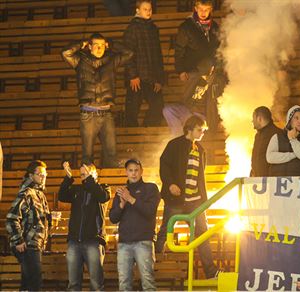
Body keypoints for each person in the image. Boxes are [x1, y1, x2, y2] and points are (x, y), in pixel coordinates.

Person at [156, 115, 220, 279]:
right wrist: (170, 184)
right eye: (200, 130)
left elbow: (200, 177)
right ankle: (153, 265)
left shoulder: (200, 150)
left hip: (195, 201)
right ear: (190, 129)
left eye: (204, 130)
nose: (202, 133)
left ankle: (211, 272)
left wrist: (204, 201)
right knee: (165, 230)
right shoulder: (174, 145)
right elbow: (164, 165)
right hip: (176, 200)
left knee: (202, 234)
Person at [61, 33, 133, 167]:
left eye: (102, 45)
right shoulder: (80, 61)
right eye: (96, 45)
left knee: (111, 154)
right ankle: (89, 184)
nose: (99, 49)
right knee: (87, 155)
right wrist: (80, 44)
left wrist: (111, 44)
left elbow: (129, 53)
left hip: (106, 112)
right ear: (89, 47)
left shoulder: (111, 60)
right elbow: (65, 53)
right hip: (88, 113)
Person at [109, 159, 161, 291]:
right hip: (124, 243)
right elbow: (113, 218)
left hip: (144, 241)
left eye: (136, 170)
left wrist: (131, 199)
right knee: (124, 283)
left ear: (142, 171)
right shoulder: (121, 192)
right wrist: (121, 204)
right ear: (126, 172)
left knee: (147, 281)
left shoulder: (151, 188)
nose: (134, 173)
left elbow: (150, 211)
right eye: (130, 170)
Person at [58, 161, 111, 291]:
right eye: (82, 175)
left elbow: (103, 197)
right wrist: (68, 178)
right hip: (74, 241)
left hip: (93, 241)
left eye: (87, 173)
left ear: (95, 174)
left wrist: (89, 180)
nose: (84, 177)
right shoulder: (77, 190)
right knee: (73, 284)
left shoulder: (103, 188)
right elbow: (62, 196)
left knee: (96, 284)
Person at [169, 0, 221, 129]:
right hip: (192, 72)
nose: (203, 13)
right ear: (195, 9)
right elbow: (179, 50)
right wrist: (180, 70)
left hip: (210, 73)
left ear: (210, 10)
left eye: (206, 10)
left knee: (210, 104)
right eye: (201, 9)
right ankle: (188, 132)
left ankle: (209, 131)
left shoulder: (214, 27)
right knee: (190, 102)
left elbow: (218, 49)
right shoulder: (186, 27)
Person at [5, 160, 51, 291]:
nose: (43, 177)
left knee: (27, 284)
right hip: (28, 245)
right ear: (31, 175)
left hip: (36, 244)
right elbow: (11, 218)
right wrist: (18, 240)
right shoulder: (26, 193)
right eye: (40, 174)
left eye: (45, 174)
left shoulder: (39, 194)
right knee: (34, 284)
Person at [123, 0, 165, 127]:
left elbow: (158, 55)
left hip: (151, 78)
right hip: (137, 78)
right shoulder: (132, 28)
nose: (148, 12)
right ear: (137, 10)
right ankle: (132, 140)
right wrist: (133, 75)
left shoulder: (153, 28)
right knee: (132, 111)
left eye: (150, 9)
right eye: (145, 9)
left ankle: (146, 133)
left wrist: (159, 78)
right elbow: (127, 54)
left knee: (158, 107)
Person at [266, 105, 300, 176]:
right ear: (289, 120)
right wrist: (295, 154)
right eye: (296, 118)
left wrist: (293, 139)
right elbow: (270, 158)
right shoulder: (277, 137)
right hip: (278, 184)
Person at [250, 106, 283, 177]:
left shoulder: (278, 134)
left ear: (259, 119)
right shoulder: (258, 136)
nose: (252, 121)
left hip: (272, 181)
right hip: (258, 181)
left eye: (253, 118)